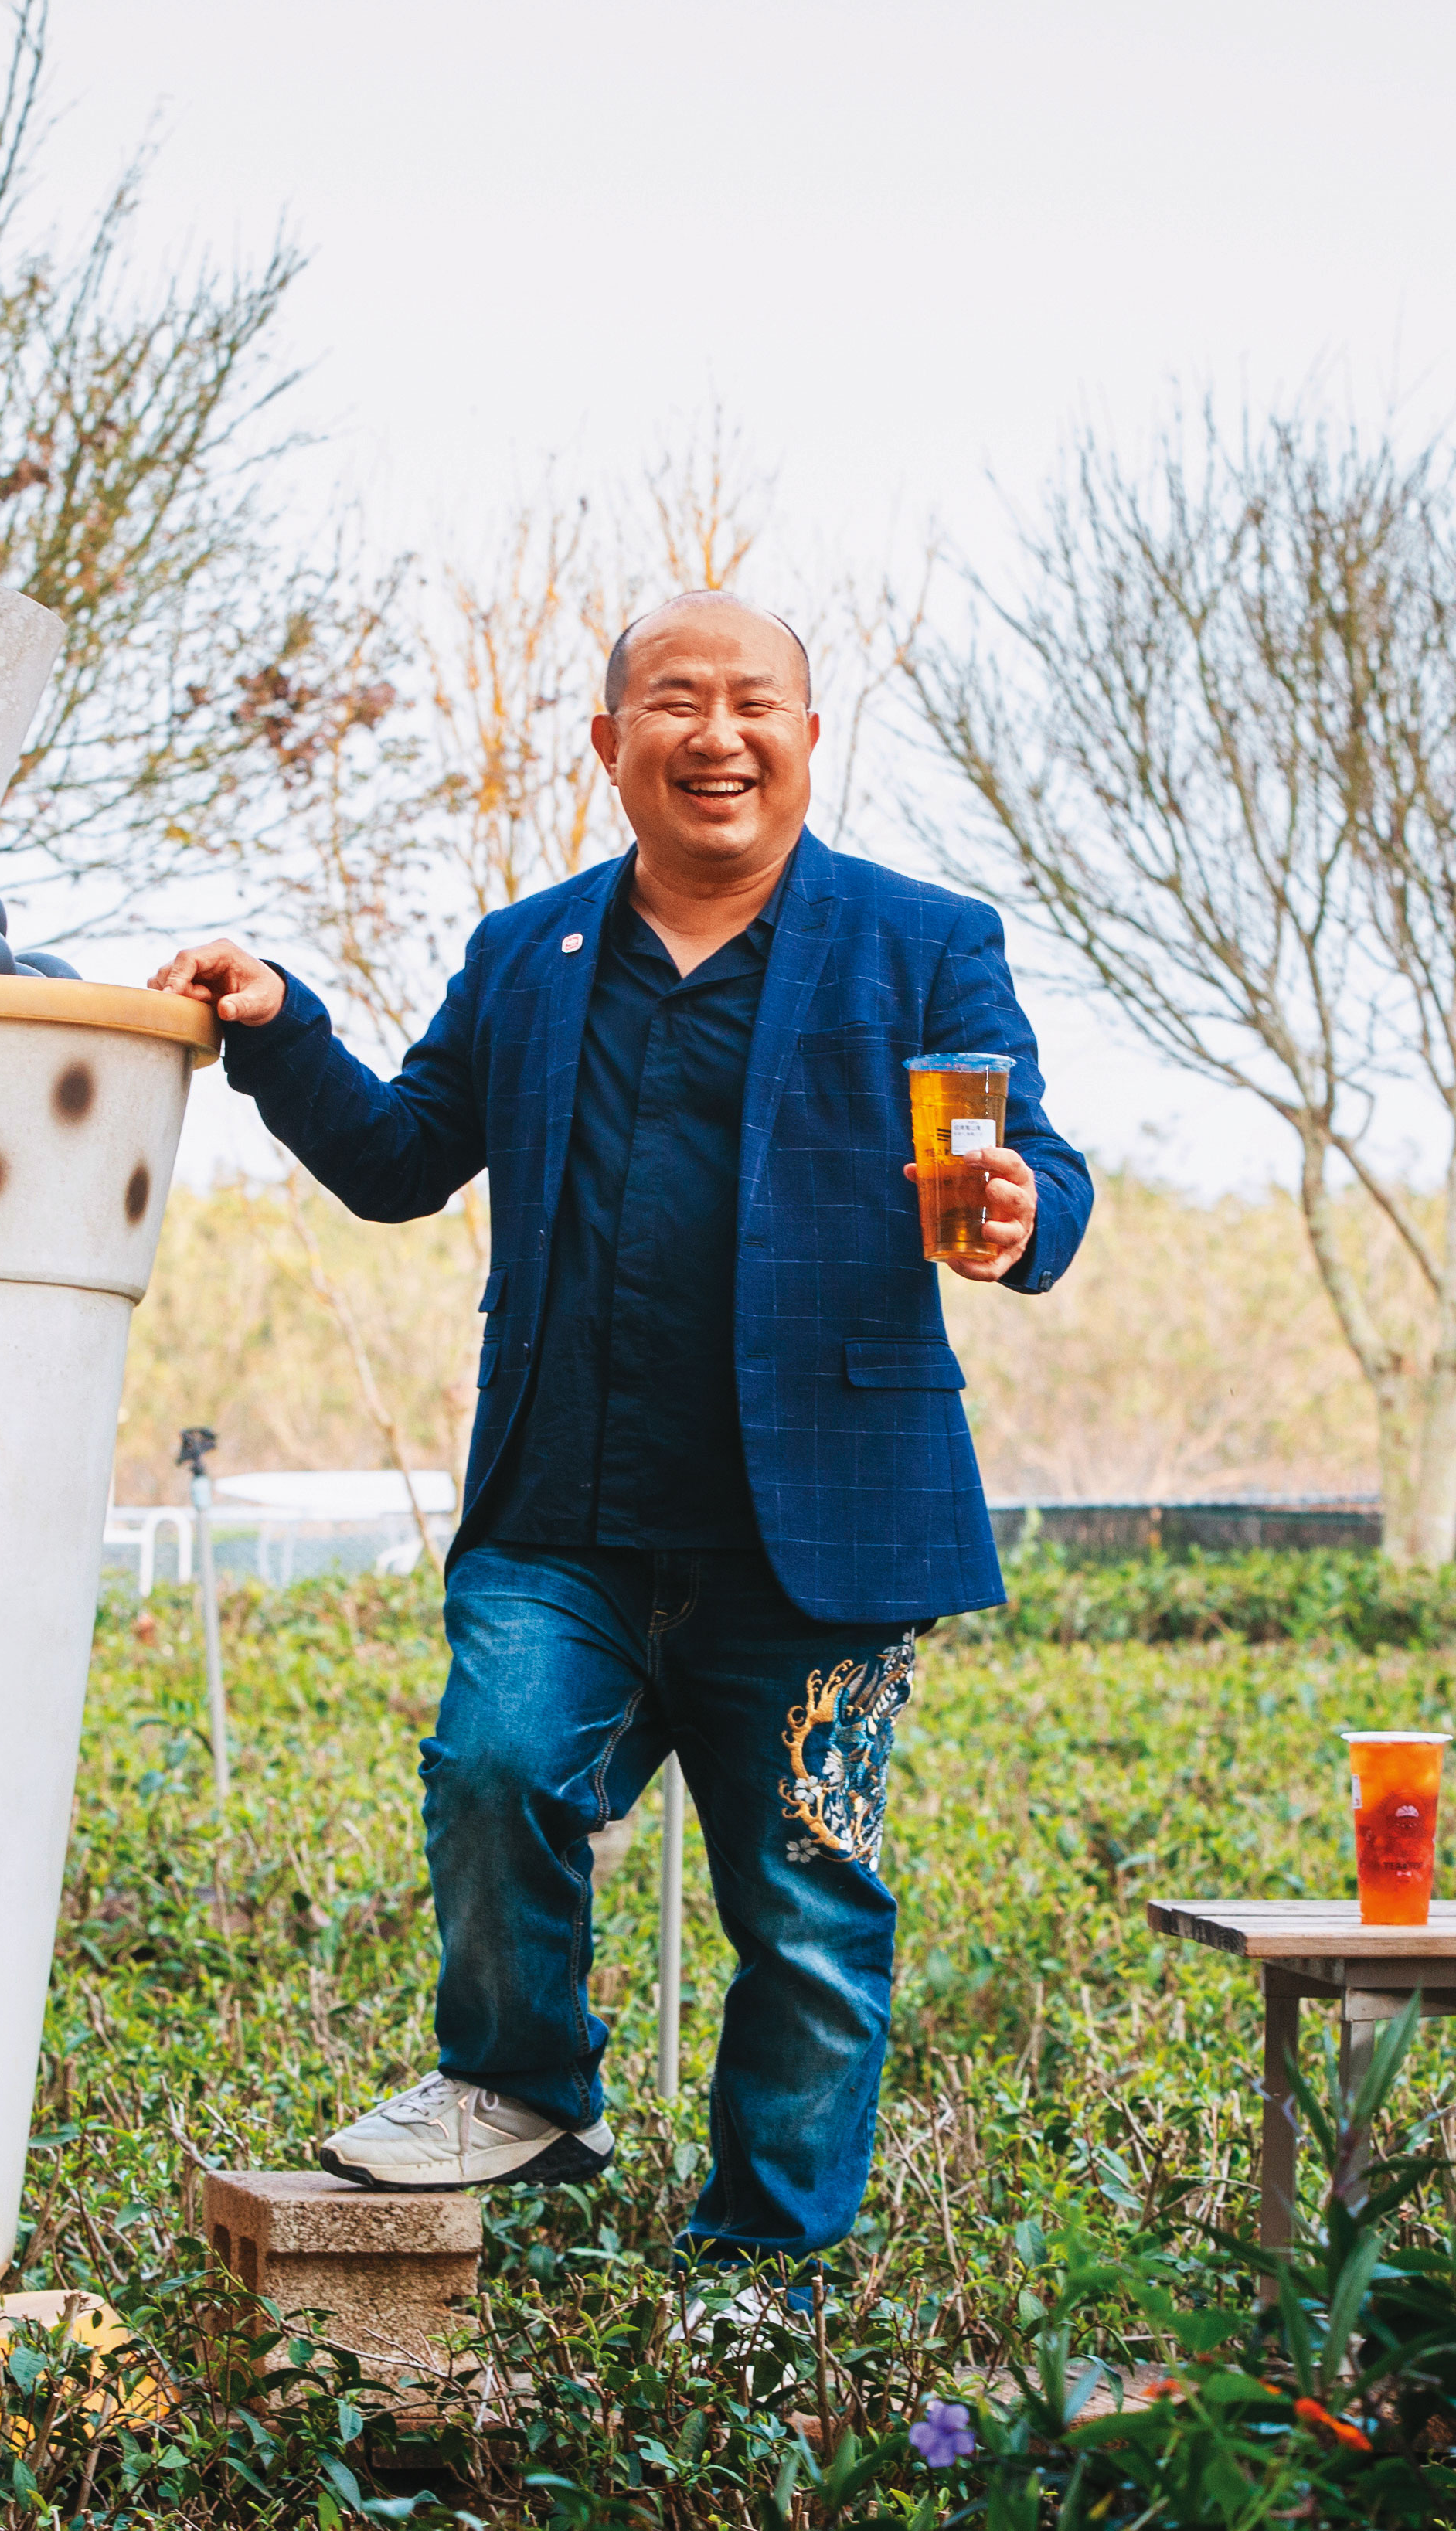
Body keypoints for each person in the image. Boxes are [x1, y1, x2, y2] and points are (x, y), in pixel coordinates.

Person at [151, 590, 1090, 2289]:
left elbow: (1029, 1154)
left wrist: (1026, 1212)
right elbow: (397, 1157)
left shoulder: (921, 941)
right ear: (610, 744)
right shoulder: (529, 952)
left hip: (818, 1536)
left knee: (806, 1916)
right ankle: (524, 2085)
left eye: (753, 704)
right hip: (564, 1512)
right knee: (496, 1769)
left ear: (810, 739)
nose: (713, 734)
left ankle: (763, 2273)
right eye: (673, 702)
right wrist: (283, 1028)